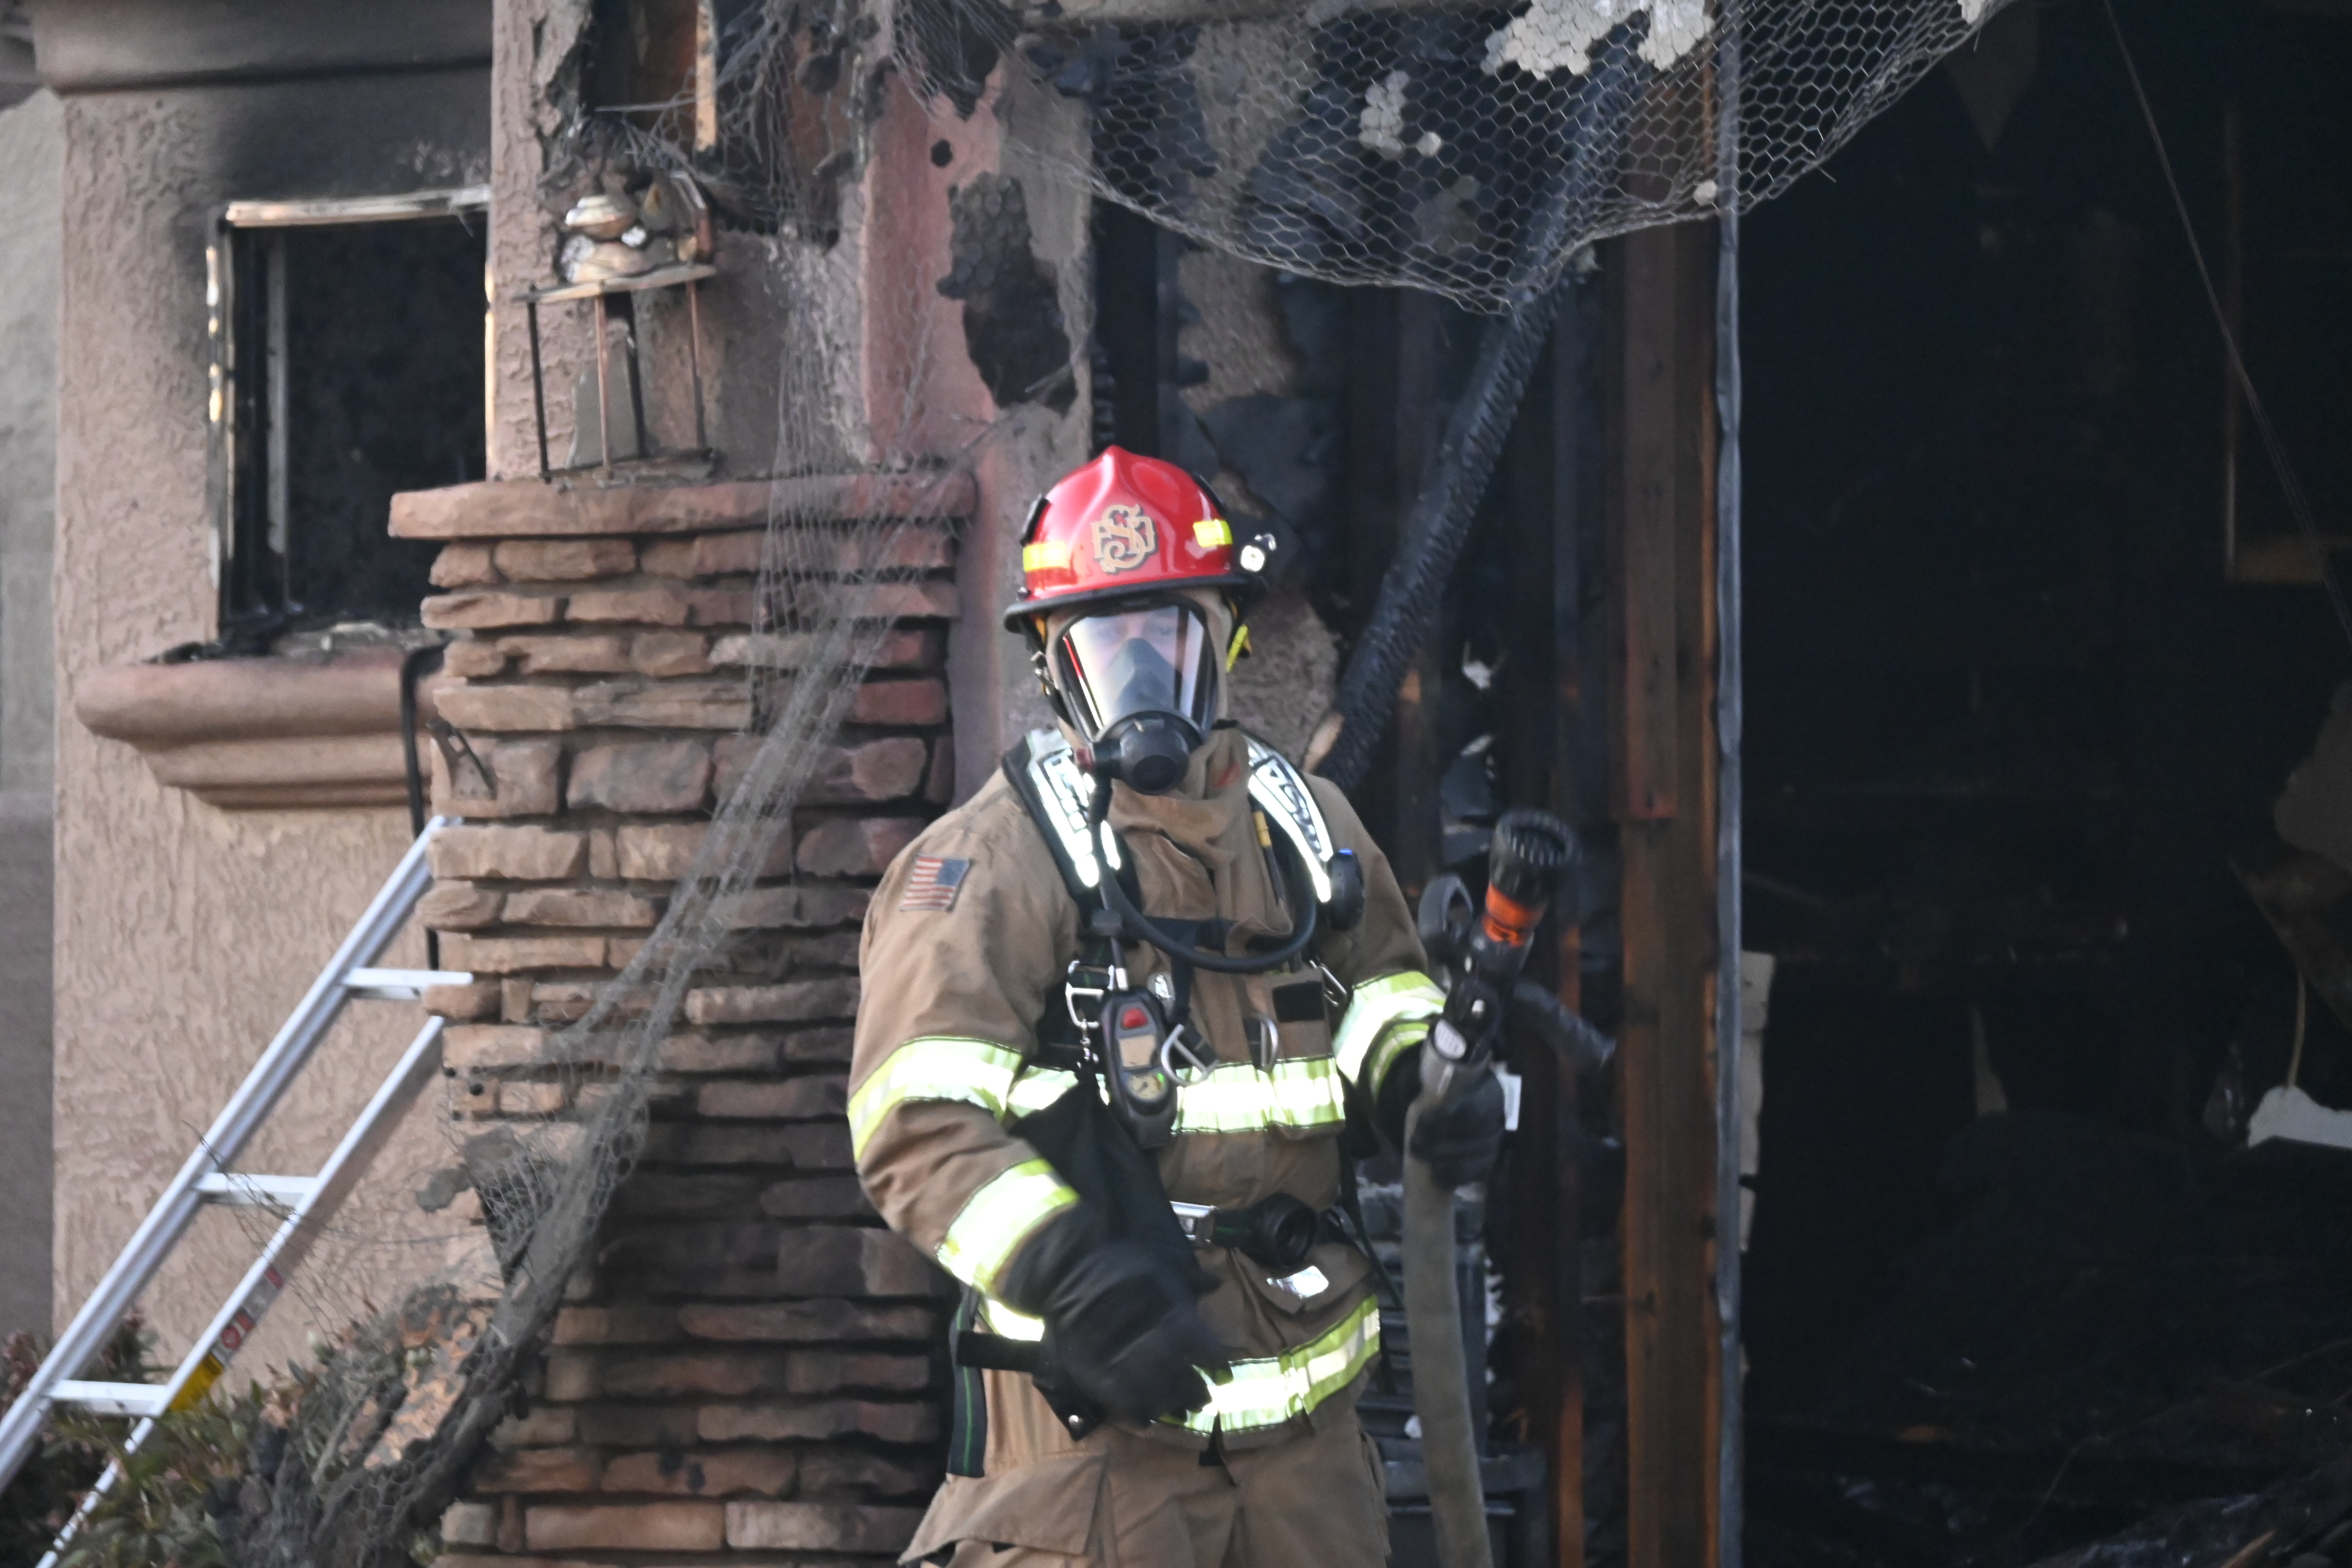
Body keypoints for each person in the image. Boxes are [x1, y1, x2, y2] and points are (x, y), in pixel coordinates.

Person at [850, 446, 1508, 1567]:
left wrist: (1420, 1084)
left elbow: (1384, 997)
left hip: (1310, 1468)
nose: (1141, 677)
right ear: (1054, 664)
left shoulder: (1310, 831)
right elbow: (912, 1121)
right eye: (1105, 647)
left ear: (1225, 641)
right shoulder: (989, 867)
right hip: (1100, 1458)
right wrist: (1065, 1269)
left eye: (1168, 638)